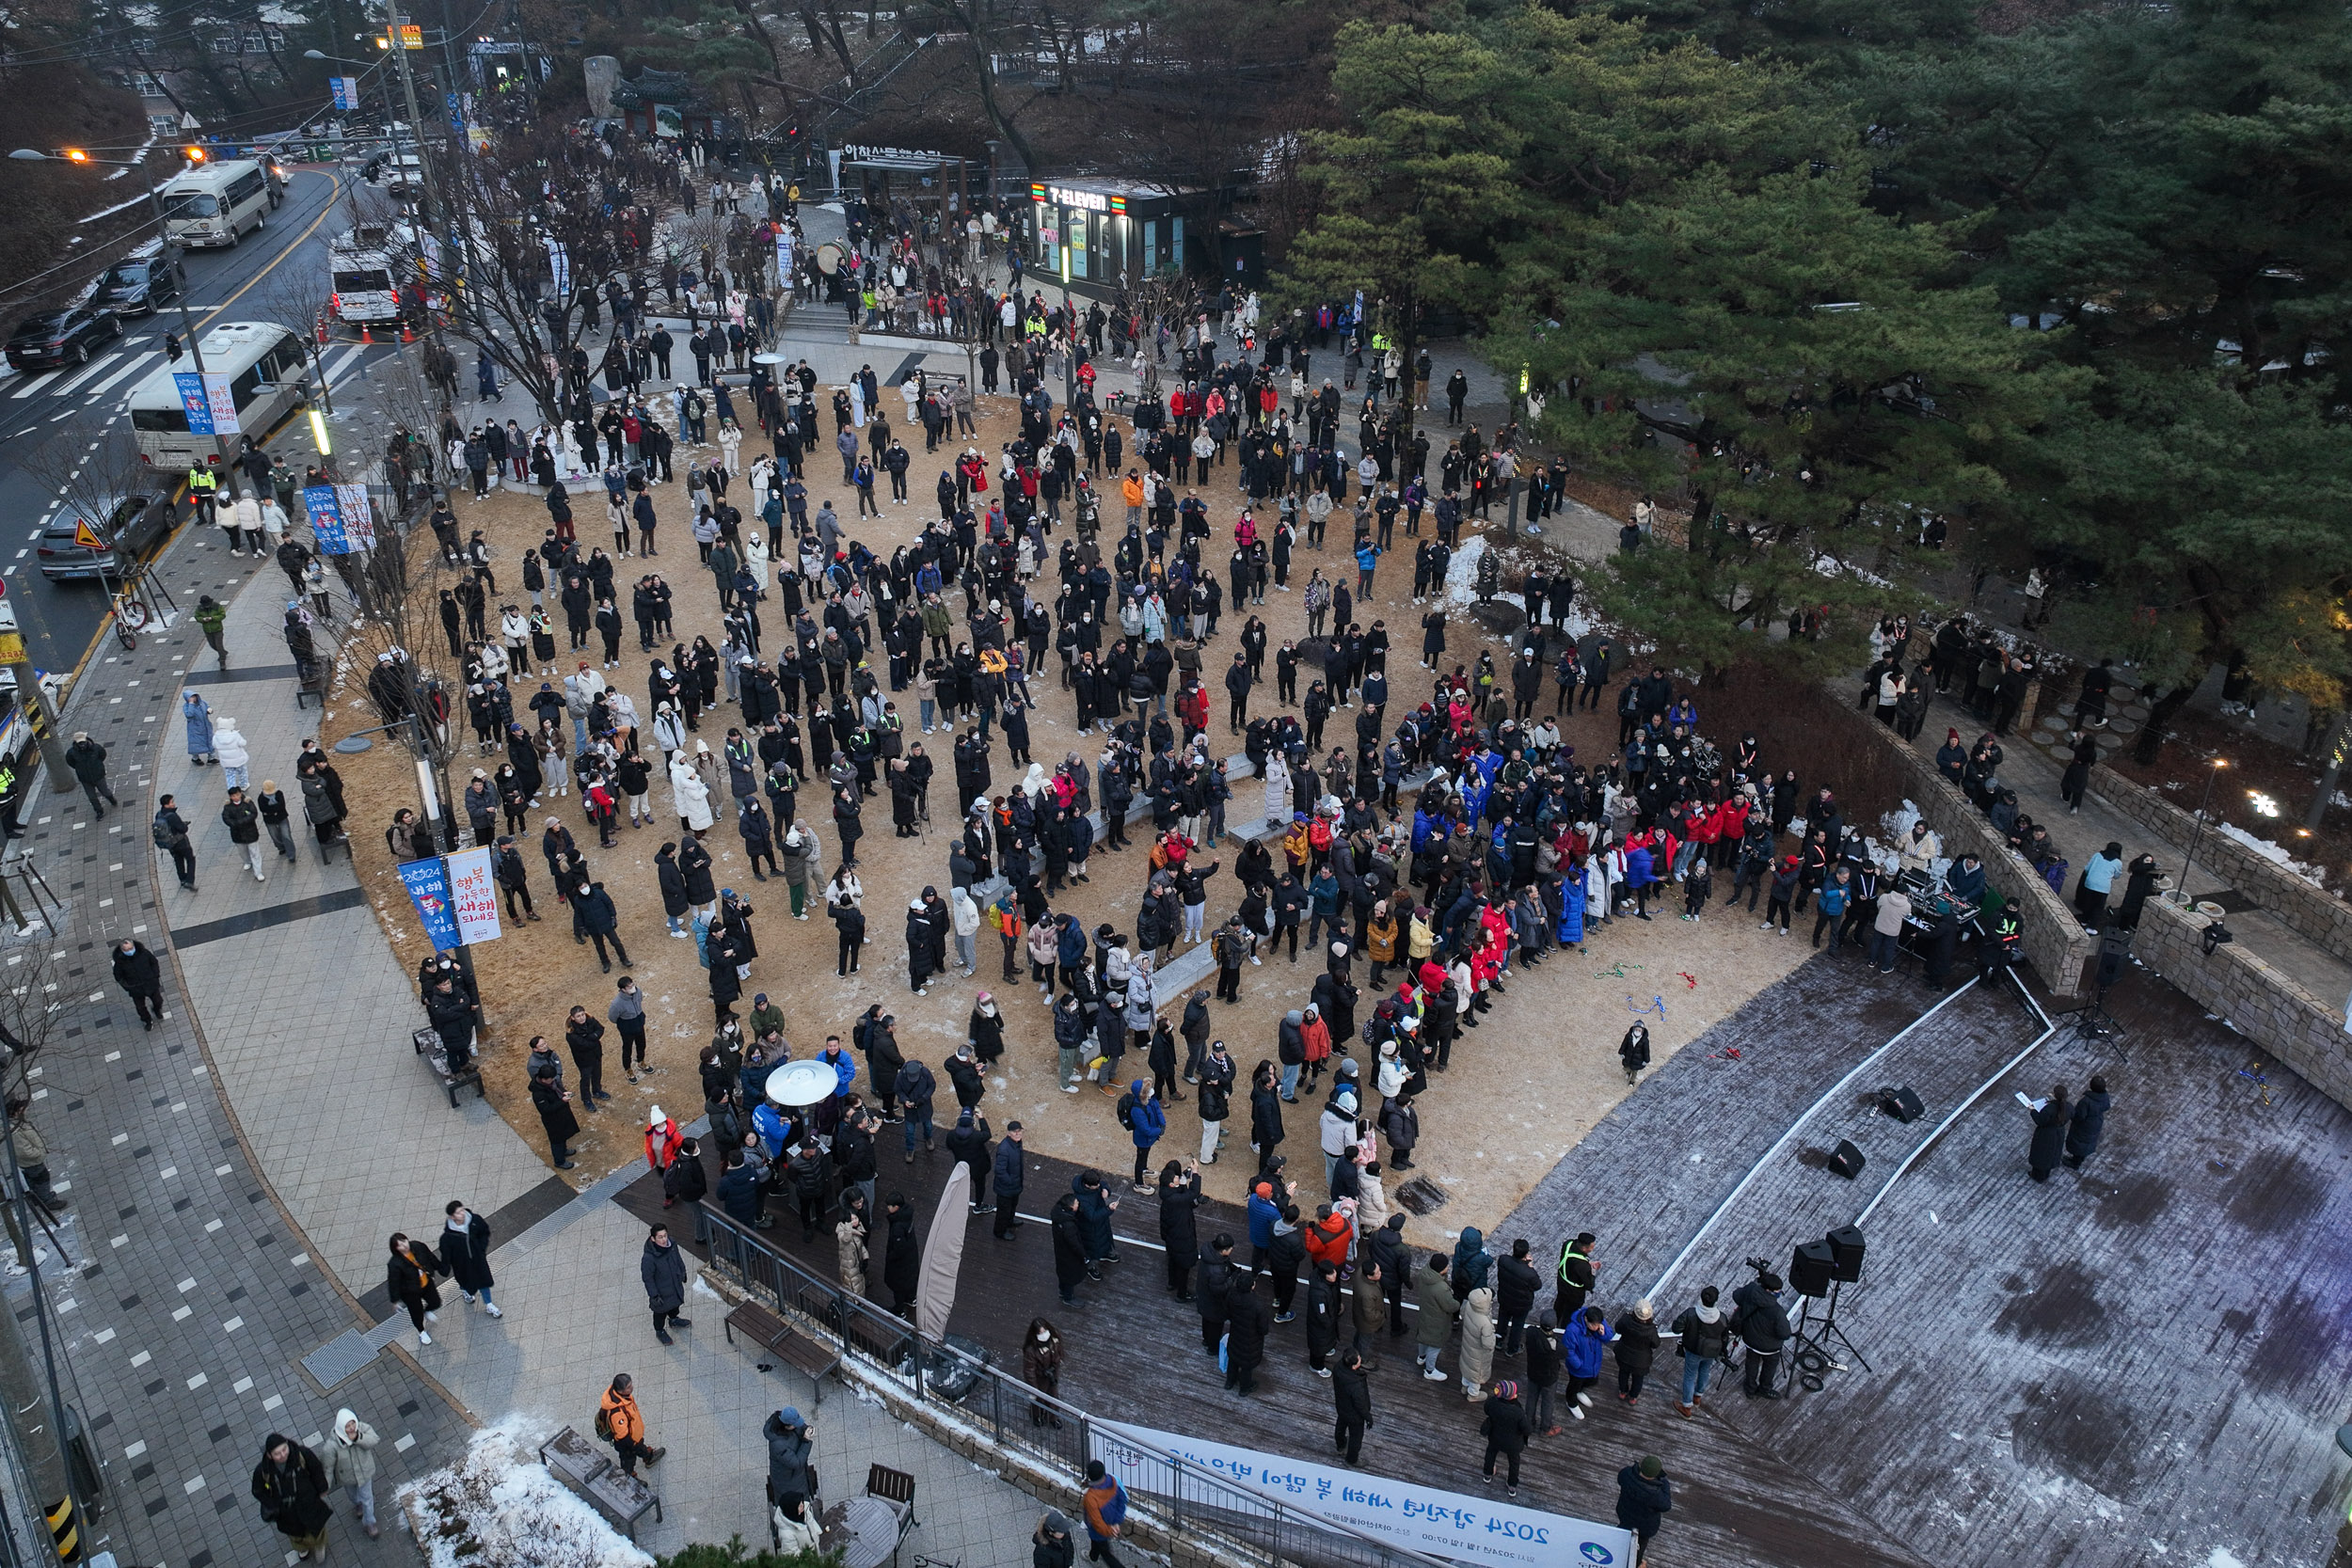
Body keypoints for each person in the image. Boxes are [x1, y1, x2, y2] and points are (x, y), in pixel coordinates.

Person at [250, 1433, 333, 1560]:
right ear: (269, 1455)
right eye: (277, 1453)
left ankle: (319, 1545)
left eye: (284, 1449)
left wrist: (322, 1488)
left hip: (309, 1502)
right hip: (286, 1511)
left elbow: (316, 1469)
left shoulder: (302, 1454)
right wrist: (273, 1505)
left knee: (317, 1527)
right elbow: (258, 1491)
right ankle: (302, 1548)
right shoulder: (262, 1471)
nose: (283, 1455)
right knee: (295, 1533)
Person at [1671, 1285, 1730, 1417]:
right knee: (1705, 1371)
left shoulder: (1691, 1313)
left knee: (1690, 1376)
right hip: (1712, 1351)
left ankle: (1686, 1406)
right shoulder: (1722, 1318)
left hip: (1693, 1350)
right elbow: (1725, 1337)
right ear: (1716, 1301)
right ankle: (1697, 1396)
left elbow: (1676, 1328)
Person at [439, 1199, 501, 1318]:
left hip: (478, 1260)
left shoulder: (475, 1221)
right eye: (458, 1212)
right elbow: (446, 1254)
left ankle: (489, 1304)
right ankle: (465, 1291)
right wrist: (445, 1267)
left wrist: (481, 1249)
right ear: (452, 1217)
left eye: (462, 1210)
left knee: (484, 1281)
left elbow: (484, 1232)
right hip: (462, 1265)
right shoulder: (447, 1237)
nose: (462, 1213)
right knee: (464, 1280)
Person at [1734, 1270, 1790, 1398]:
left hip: (1750, 1339)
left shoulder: (1751, 1292)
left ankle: (1750, 1389)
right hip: (1770, 1348)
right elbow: (1785, 1334)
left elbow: (1736, 1295)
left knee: (1751, 1364)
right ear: (1769, 1291)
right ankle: (1765, 1389)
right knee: (1769, 1368)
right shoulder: (1777, 1312)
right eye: (1778, 1292)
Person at [597, 1372, 665, 1477]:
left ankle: (648, 1457)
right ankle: (630, 1477)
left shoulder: (622, 1396)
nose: (632, 1387)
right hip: (628, 1444)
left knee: (641, 1447)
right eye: (629, 1387)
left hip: (634, 1436)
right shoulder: (617, 1413)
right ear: (621, 1390)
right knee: (628, 1461)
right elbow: (623, 1436)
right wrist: (634, 1445)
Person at [385, 1231, 444, 1343]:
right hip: (410, 1292)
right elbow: (394, 1282)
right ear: (395, 1248)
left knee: (435, 1302)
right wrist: (395, 1300)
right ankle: (421, 1332)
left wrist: (439, 1268)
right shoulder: (395, 1264)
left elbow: (430, 1257)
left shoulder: (418, 1246)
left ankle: (427, 1311)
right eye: (399, 1245)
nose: (404, 1245)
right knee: (416, 1313)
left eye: (404, 1241)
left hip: (426, 1283)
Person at [1480, 1378, 1533, 1497]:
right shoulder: (1518, 1412)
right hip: (1513, 1443)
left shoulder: (1493, 1404)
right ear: (1512, 1396)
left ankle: (1487, 1474)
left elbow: (1486, 1410)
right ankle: (1512, 1485)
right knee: (1514, 1462)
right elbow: (1527, 1430)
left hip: (1495, 1437)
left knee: (1491, 1453)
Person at [1616, 1455, 1673, 1563]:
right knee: (1638, 1548)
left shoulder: (1627, 1474)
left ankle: (1615, 1551)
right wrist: (1664, 1483)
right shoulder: (1655, 1494)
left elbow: (1620, 1479)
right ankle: (1635, 1563)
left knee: (1622, 1533)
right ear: (1656, 1474)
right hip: (1643, 1528)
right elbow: (1666, 1506)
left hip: (1624, 1515)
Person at [643, 1221, 691, 1343]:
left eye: (665, 1235)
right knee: (660, 1313)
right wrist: (654, 1295)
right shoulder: (649, 1258)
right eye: (660, 1237)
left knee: (675, 1306)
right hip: (662, 1292)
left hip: (675, 1285)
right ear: (653, 1239)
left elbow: (678, 1258)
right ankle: (660, 1331)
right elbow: (648, 1278)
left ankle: (674, 1319)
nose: (664, 1239)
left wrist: (682, 1271)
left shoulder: (672, 1244)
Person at [1413, 1252, 1456, 1381]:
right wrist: (1458, 1303)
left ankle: (1421, 1357)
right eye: (1446, 1266)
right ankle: (1430, 1371)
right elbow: (1450, 1306)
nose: (1448, 1268)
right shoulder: (1441, 1288)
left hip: (1425, 1314)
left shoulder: (1424, 1274)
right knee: (1435, 1346)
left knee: (1423, 1337)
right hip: (1437, 1320)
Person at [111, 938, 167, 1029]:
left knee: (158, 1001)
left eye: (130, 948)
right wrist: (128, 987)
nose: (129, 951)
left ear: (134, 946)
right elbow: (118, 977)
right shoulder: (120, 962)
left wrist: (155, 975)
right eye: (126, 950)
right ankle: (147, 1021)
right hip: (135, 988)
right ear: (122, 950)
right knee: (140, 1007)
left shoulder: (144, 953)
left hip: (150, 983)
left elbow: (153, 962)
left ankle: (157, 1010)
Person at [1081, 1459, 1130, 1566]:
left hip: (1099, 1531)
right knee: (1096, 1544)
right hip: (1111, 1522)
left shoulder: (1091, 1497)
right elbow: (1122, 1500)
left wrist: (1109, 1531)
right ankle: (1093, 1556)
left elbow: (1096, 1521)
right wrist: (1116, 1522)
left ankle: (1093, 1557)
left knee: (1106, 1554)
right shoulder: (1113, 1481)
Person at [531, 1065, 578, 1168]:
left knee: (563, 1136)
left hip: (561, 1115)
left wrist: (563, 1092)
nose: (553, 1080)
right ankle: (559, 1161)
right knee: (557, 1141)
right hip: (552, 1120)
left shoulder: (550, 1084)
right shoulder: (538, 1094)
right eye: (551, 1078)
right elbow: (545, 1109)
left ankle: (564, 1151)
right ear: (544, 1079)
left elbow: (558, 1089)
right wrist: (562, 1101)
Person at [1613, 1298, 1661, 1403]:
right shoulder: (1651, 1331)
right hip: (1641, 1361)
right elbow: (1656, 1344)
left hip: (1624, 1355)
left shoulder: (1626, 1320)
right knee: (1638, 1379)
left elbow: (1618, 1329)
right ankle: (1633, 1397)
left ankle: (1623, 1392)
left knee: (1623, 1373)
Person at [1331, 1346, 1372, 1465]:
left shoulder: (1338, 1368)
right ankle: (1352, 1459)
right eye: (1359, 1358)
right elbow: (1360, 1405)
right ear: (1354, 1365)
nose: (1360, 1358)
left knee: (1341, 1425)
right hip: (1355, 1415)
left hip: (1342, 1406)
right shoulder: (1356, 1385)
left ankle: (1341, 1445)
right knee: (1356, 1437)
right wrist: (1368, 1417)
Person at [64, 732, 118, 818]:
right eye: (80, 743)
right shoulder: (71, 753)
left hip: (98, 775)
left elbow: (102, 755)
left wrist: (98, 766)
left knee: (105, 792)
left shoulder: (96, 748)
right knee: (92, 797)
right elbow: (71, 762)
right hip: (85, 779)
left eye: (83, 742)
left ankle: (111, 799)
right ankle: (99, 811)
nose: (82, 745)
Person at [1023, 1317, 1064, 1425]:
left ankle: (1053, 1418)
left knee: (1054, 1397)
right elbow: (1029, 1370)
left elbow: (1059, 1355)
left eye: (1045, 1331)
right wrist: (1033, 1386)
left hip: (1052, 1374)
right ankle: (1037, 1416)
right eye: (1041, 1332)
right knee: (1038, 1399)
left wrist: (1054, 1368)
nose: (1044, 1334)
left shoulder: (1054, 1341)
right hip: (1039, 1377)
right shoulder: (1031, 1350)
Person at [2028, 1082, 2071, 1181]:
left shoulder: (2050, 1109)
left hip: (2045, 1134)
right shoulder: (2068, 1107)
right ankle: (2046, 1173)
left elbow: (2040, 1120)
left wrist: (2032, 1110)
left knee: (2041, 1154)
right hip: (2059, 1134)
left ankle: (2038, 1176)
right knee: (2051, 1154)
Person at [2066, 1076, 2111, 1169]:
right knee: (2087, 1142)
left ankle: (2075, 1163)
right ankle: (2079, 1159)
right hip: (2096, 1122)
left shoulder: (2086, 1101)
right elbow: (2107, 1106)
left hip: (2084, 1126)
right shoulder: (2104, 1097)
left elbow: (2079, 1116)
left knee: (2080, 1142)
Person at [993, 1121, 1027, 1239]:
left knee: (1012, 1207)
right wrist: (1010, 1182)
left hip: (1014, 1186)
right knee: (1003, 1212)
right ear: (1009, 1133)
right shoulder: (1004, 1148)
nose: (1018, 1134)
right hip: (1006, 1188)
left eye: (1019, 1131)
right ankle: (1000, 1232)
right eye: (1014, 1131)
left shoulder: (1016, 1143)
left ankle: (1010, 1221)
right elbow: (1000, 1170)